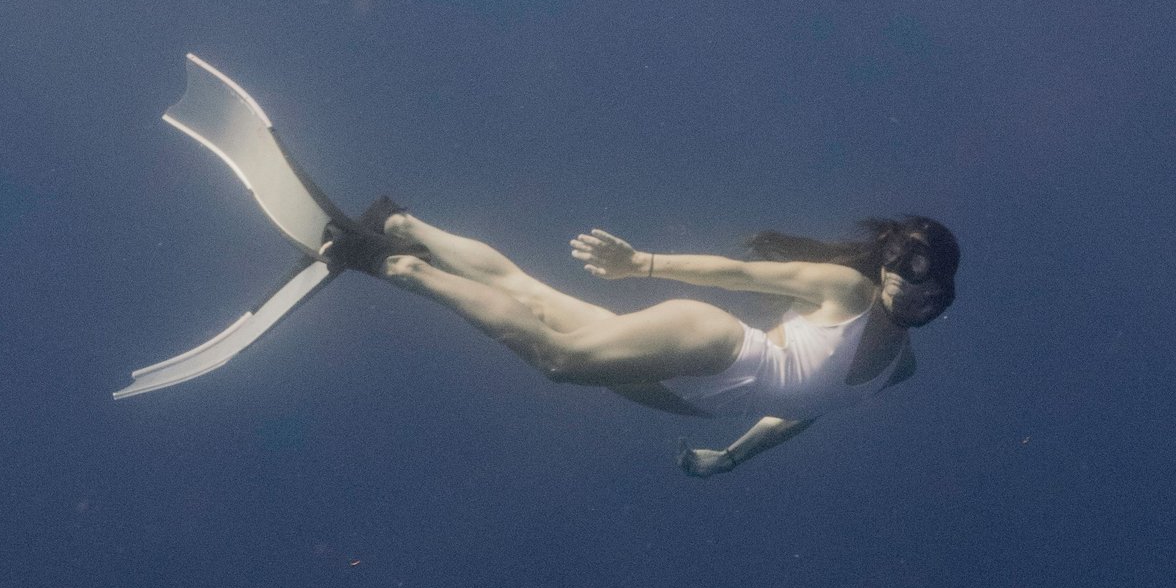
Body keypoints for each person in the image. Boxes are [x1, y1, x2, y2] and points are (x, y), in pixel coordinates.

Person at [321, 203, 959, 478]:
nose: (904, 280)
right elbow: (739, 274)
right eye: (899, 263)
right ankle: (391, 263)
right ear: (884, 265)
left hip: (699, 399)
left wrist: (729, 458)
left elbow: (802, 412)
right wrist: (642, 264)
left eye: (921, 274)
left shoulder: (899, 370)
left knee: (533, 299)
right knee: (558, 359)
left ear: (941, 296)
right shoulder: (847, 290)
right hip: (715, 345)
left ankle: (401, 223)